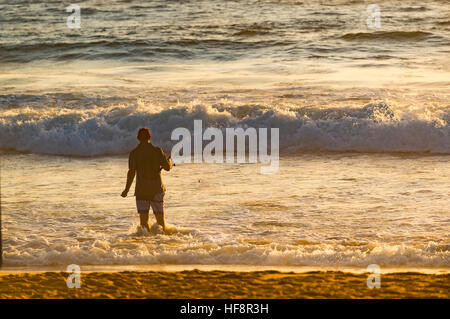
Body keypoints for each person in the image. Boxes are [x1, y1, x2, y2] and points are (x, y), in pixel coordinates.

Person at [121, 128, 172, 232]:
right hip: (156, 190)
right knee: (161, 222)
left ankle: (146, 243)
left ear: (138, 138)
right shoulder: (157, 151)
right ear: (150, 137)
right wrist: (169, 161)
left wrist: (126, 190)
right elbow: (167, 168)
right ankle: (162, 243)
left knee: (143, 223)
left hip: (141, 191)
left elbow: (131, 172)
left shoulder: (134, 153)